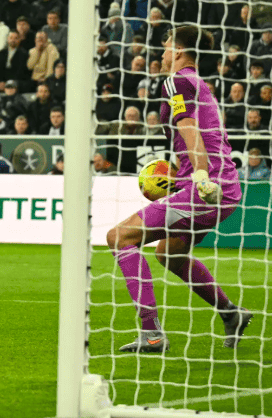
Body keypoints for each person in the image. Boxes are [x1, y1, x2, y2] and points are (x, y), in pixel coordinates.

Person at [106, 26, 251, 353]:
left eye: (167, 46)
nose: (163, 52)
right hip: (223, 187)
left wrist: (199, 175)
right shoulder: (200, 84)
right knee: (168, 254)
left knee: (119, 238)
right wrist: (182, 175)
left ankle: (151, 334)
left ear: (180, 51)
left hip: (206, 187)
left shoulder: (176, 80)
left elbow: (190, 130)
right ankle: (231, 313)